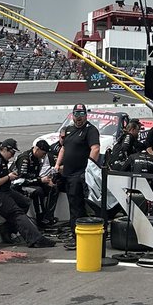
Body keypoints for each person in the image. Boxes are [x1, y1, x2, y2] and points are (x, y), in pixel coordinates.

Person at [0, 138, 56, 248]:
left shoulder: (2, 159)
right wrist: (9, 177)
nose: (12, 156)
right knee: (16, 212)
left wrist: (10, 176)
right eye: (12, 152)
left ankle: (6, 229)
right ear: (4, 149)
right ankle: (35, 239)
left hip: (3, 190)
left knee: (25, 202)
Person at [53, 105, 101, 248]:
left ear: (86, 115)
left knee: (77, 206)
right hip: (67, 173)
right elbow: (64, 148)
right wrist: (57, 165)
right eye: (76, 114)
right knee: (73, 205)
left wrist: (89, 168)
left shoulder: (90, 130)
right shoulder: (68, 130)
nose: (78, 118)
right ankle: (78, 234)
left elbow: (95, 148)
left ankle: (78, 237)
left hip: (80, 174)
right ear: (72, 115)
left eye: (81, 114)